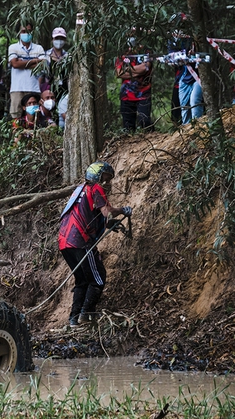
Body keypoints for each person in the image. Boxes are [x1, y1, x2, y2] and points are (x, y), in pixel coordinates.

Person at [58, 161, 133, 326]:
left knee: (82, 280)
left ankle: (73, 319)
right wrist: (123, 210)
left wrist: (108, 224)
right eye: (105, 178)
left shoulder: (79, 191)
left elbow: (86, 217)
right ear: (97, 175)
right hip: (80, 241)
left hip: (65, 242)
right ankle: (86, 314)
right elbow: (106, 211)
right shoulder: (95, 188)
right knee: (98, 277)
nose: (107, 183)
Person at [115, 34, 153, 132]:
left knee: (144, 121)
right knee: (128, 127)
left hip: (144, 94)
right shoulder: (122, 53)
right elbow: (119, 73)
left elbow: (145, 67)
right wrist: (137, 72)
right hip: (126, 95)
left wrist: (128, 71)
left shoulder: (146, 51)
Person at [8, 21, 46, 119]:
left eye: (29, 31)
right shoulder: (13, 47)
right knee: (16, 117)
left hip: (33, 88)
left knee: (35, 118)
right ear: (19, 33)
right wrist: (34, 61)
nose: (26, 34)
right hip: (17, 89)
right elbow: (15, 64)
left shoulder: (38, 48)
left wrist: (22, 62)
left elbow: (42, 65)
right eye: (23, 31)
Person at [40, 27, 69, 95]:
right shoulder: (45, 55)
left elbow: (69, 77)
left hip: (64, 89)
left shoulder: (68, 57)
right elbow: (41, 75)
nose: (59, 41)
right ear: (52, 40)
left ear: (65, 40)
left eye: (61, 38)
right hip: (48, 89)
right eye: (57, 38)